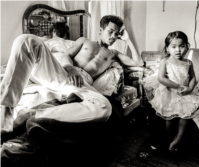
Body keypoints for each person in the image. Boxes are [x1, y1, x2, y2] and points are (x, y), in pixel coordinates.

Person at [0, 15, 143, 139]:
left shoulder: (114, 54)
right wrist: (70, 68)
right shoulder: (84, 41)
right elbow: (66, 55)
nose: (113, 37)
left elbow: (138, 62)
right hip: (64, 74)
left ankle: (32, 114)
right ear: (101, 30)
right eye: (110, 31)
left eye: (117, 34)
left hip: (82, 85)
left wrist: (127, 39)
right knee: (27, 40)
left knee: (105, 107)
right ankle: (7, 110)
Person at [143, 31, 199, 152]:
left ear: (187, 46)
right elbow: (161, 78)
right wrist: (177, 86)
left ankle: (178, 138)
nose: (178, 50)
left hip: (184, 92)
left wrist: (190, 88)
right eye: (174, 46)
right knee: (168, 118)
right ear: (167, 49)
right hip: (170, 91)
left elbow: (193, 77)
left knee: (186, 114)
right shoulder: (165, 61)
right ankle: (170, 141)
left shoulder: (188, 62)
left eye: (181, 46)